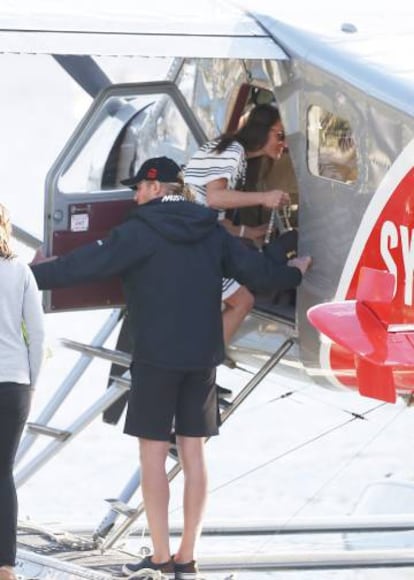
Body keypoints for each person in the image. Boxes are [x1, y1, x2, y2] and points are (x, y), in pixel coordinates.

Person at [30, 157, 311, 580]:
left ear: (156, 187)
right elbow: (257, 272)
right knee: (194, 454)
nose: (134, 197)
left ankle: (159, 557)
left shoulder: (138, 232)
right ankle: (187, 557)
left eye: (138, 188)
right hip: (201, 358)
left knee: (153, 456)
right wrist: (292, 272)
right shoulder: (210, 229)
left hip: (156, 358)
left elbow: (80, 267)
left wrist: (25, 275)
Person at [184, 103, 291, 344]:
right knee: (242, 301)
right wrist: (265, 197)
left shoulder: (237, 156)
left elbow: (216, 219)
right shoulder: (232, 151)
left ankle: (202, 366)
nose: (283, 143)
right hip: (190, 244)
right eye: (280, 135)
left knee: (231, 303)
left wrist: (248, 231)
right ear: (261, 131)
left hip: (196, 239)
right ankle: (203, 364)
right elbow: (215, 197)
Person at [0, 204, 45, 580]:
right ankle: (6, 565)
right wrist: (32, 382)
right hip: (14, 383)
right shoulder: (20, 271)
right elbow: (38, 334)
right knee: (3, 473)